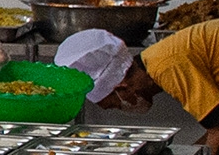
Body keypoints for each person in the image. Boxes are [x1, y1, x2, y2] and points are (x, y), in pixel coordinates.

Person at [63, 21, 219, 122]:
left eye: (116, 105)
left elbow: (217, 133)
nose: (122, 109)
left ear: (122, 88)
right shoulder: (155, 58)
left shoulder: (167, 67)